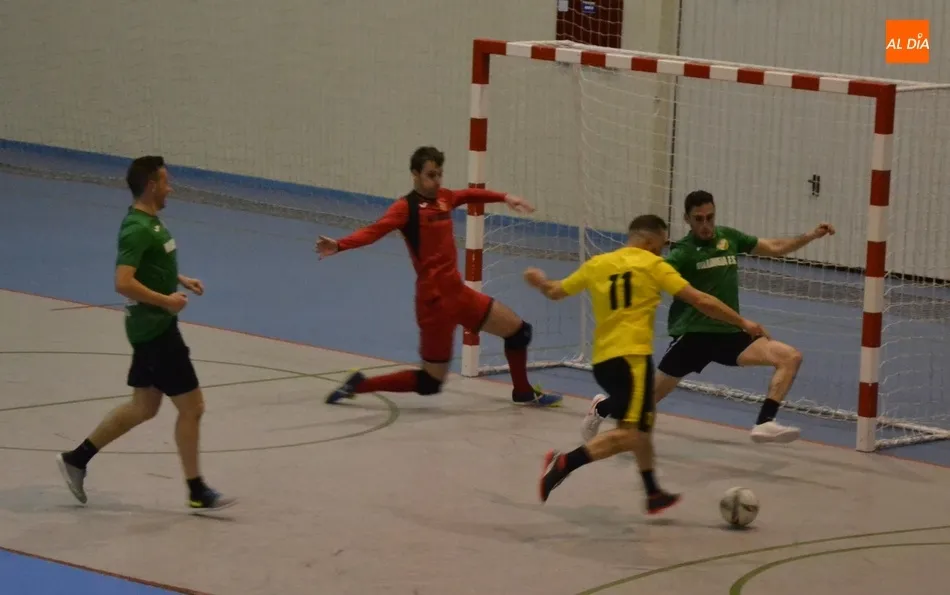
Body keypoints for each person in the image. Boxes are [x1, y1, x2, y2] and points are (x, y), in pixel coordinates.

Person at [524, 214, 768, 514]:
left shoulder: (598, 264)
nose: (662, 251)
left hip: (603, 362)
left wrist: (539, 281)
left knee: (641, 426)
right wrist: (742, 322)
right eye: (662, 245)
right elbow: (701, 301)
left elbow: (555, 291)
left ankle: (653, 492)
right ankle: (564, 463)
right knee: (632, 434)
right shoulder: (653, 265)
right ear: (651, 241)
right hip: (632, 360)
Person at [581, 190, 835, 444]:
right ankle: (602, 407)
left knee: (790, 357)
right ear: (687, 219)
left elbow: (774, 247)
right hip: (693, 337)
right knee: (646, 401)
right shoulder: (682, 253)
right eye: (698, 219)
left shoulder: (729, 238)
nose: (705, 224)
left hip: (728, 334)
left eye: (709, 217)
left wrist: (811, 235)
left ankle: (764, 422)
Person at [316, 146, 561, 407]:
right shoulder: (406, 208)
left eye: (439, 174)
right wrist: (340, 245)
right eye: (430, 175)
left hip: (459, 294)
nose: (437, 181)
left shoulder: (444, 198)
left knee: (519, 332)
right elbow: (374, 231)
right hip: (434, 304)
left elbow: (468, 194)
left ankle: (523, 392)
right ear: (415, 174)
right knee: (431, 382)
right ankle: (360, 384)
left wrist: (505, 197)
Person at [56, 156, 235, 512]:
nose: (171, 188)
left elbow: (149, 265)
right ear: (152, 186)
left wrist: (178, 279)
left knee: (144, 407)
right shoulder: (136, 228)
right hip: (156, 331)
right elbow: (123, 282)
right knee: (193, 407)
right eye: (166, 182)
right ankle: (196, 490)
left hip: (152, 328)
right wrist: (167, 301)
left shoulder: (150, 222)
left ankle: (76, 459)